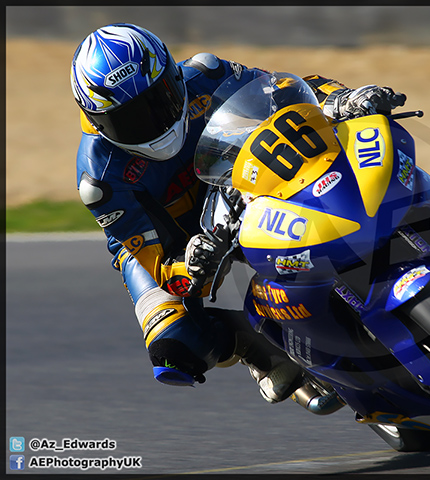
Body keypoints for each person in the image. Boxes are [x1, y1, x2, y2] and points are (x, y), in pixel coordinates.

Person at [71, 23, 407, 401]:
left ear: (172, 76)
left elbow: (281, 92)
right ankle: (258, 348)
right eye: (131, 118)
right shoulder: (99, 178)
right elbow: (151, 257)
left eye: (159, 99)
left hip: (237, 179)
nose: (155, 120)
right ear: (98, 123)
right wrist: (187, 266)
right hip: (170, 238)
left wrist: (341, 97)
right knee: (175, 348)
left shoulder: (206, 74)